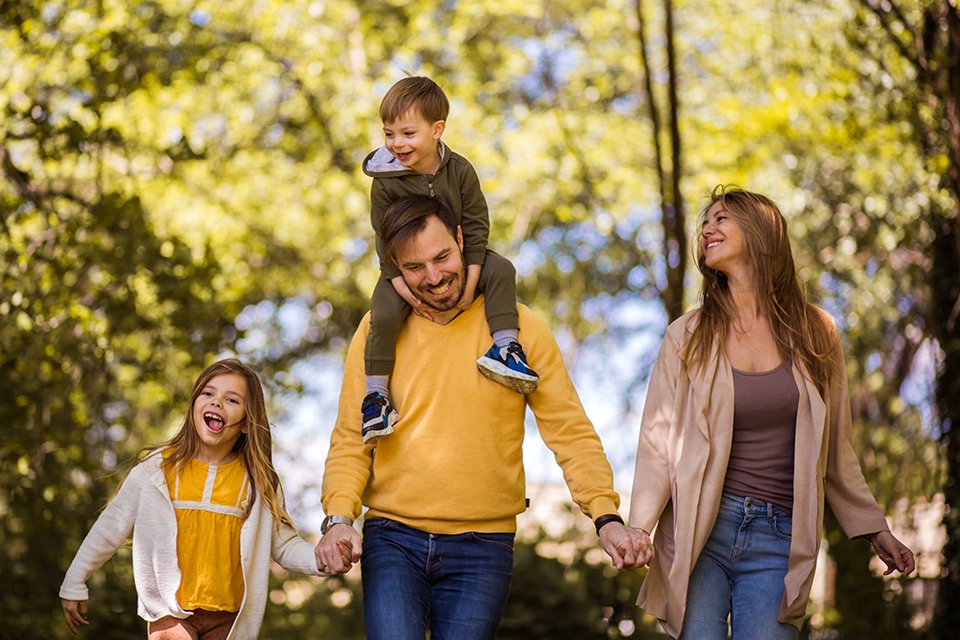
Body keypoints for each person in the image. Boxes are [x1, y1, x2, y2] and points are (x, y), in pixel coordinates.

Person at [316, 195, 653, 640]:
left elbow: (568, 431)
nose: (434, 277)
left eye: (441, 257)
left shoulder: (518, 328)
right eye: (415, 267)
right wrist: (339, 518)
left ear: (460, 240)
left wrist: (606, 517)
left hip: (483, 545)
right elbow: (351, 436)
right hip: (392, 537)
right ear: (396, 268)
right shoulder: (378, 330)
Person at [627, 186, 916, 639]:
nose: (708, 227)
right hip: (703, 528)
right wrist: (638, 527)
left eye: (722, 219)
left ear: (762, 232)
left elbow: (835, 449)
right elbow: (658, 443)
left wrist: (875, 529)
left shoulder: (816, 333)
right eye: (705, 221)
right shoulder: (688, 334)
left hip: (778, 538)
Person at [60, 359, 332, 639]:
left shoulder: (259, 483)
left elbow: (284, 545)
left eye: (231, 400)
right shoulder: (156, 470)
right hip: (169, 614)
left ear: (247, 424)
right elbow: (111, 526)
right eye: (208, 393)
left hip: (230, 620)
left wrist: (322, 559)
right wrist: (75, 581)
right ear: (193, 406)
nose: (216, 403)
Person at [360, 75, 539, 444]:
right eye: (389, 134)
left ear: (437, 129)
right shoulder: (385, 180)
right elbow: (382, 237)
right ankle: (376, 395)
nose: (397, 143)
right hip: (403, 269)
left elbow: (475, 225)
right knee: (384, 311)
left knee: (502, 268)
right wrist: (404, 290)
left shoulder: (459, 171)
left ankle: (505, 345)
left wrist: (471, 281)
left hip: (460, 259)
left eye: (408, 133)